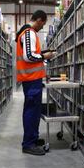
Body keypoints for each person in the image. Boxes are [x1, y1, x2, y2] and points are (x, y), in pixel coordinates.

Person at [16, 10, 56, 156]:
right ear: (38, 20)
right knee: (31, 111)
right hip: (31, 78)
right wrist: (45, 55)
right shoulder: (29, 32)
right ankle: (28, 144)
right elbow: (29, 56)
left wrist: (44, 52)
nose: (42, 27)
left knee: (34, 110)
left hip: (33, 78)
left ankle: (32, 138)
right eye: (42, 24)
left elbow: (31, 53)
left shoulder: (28, 33)